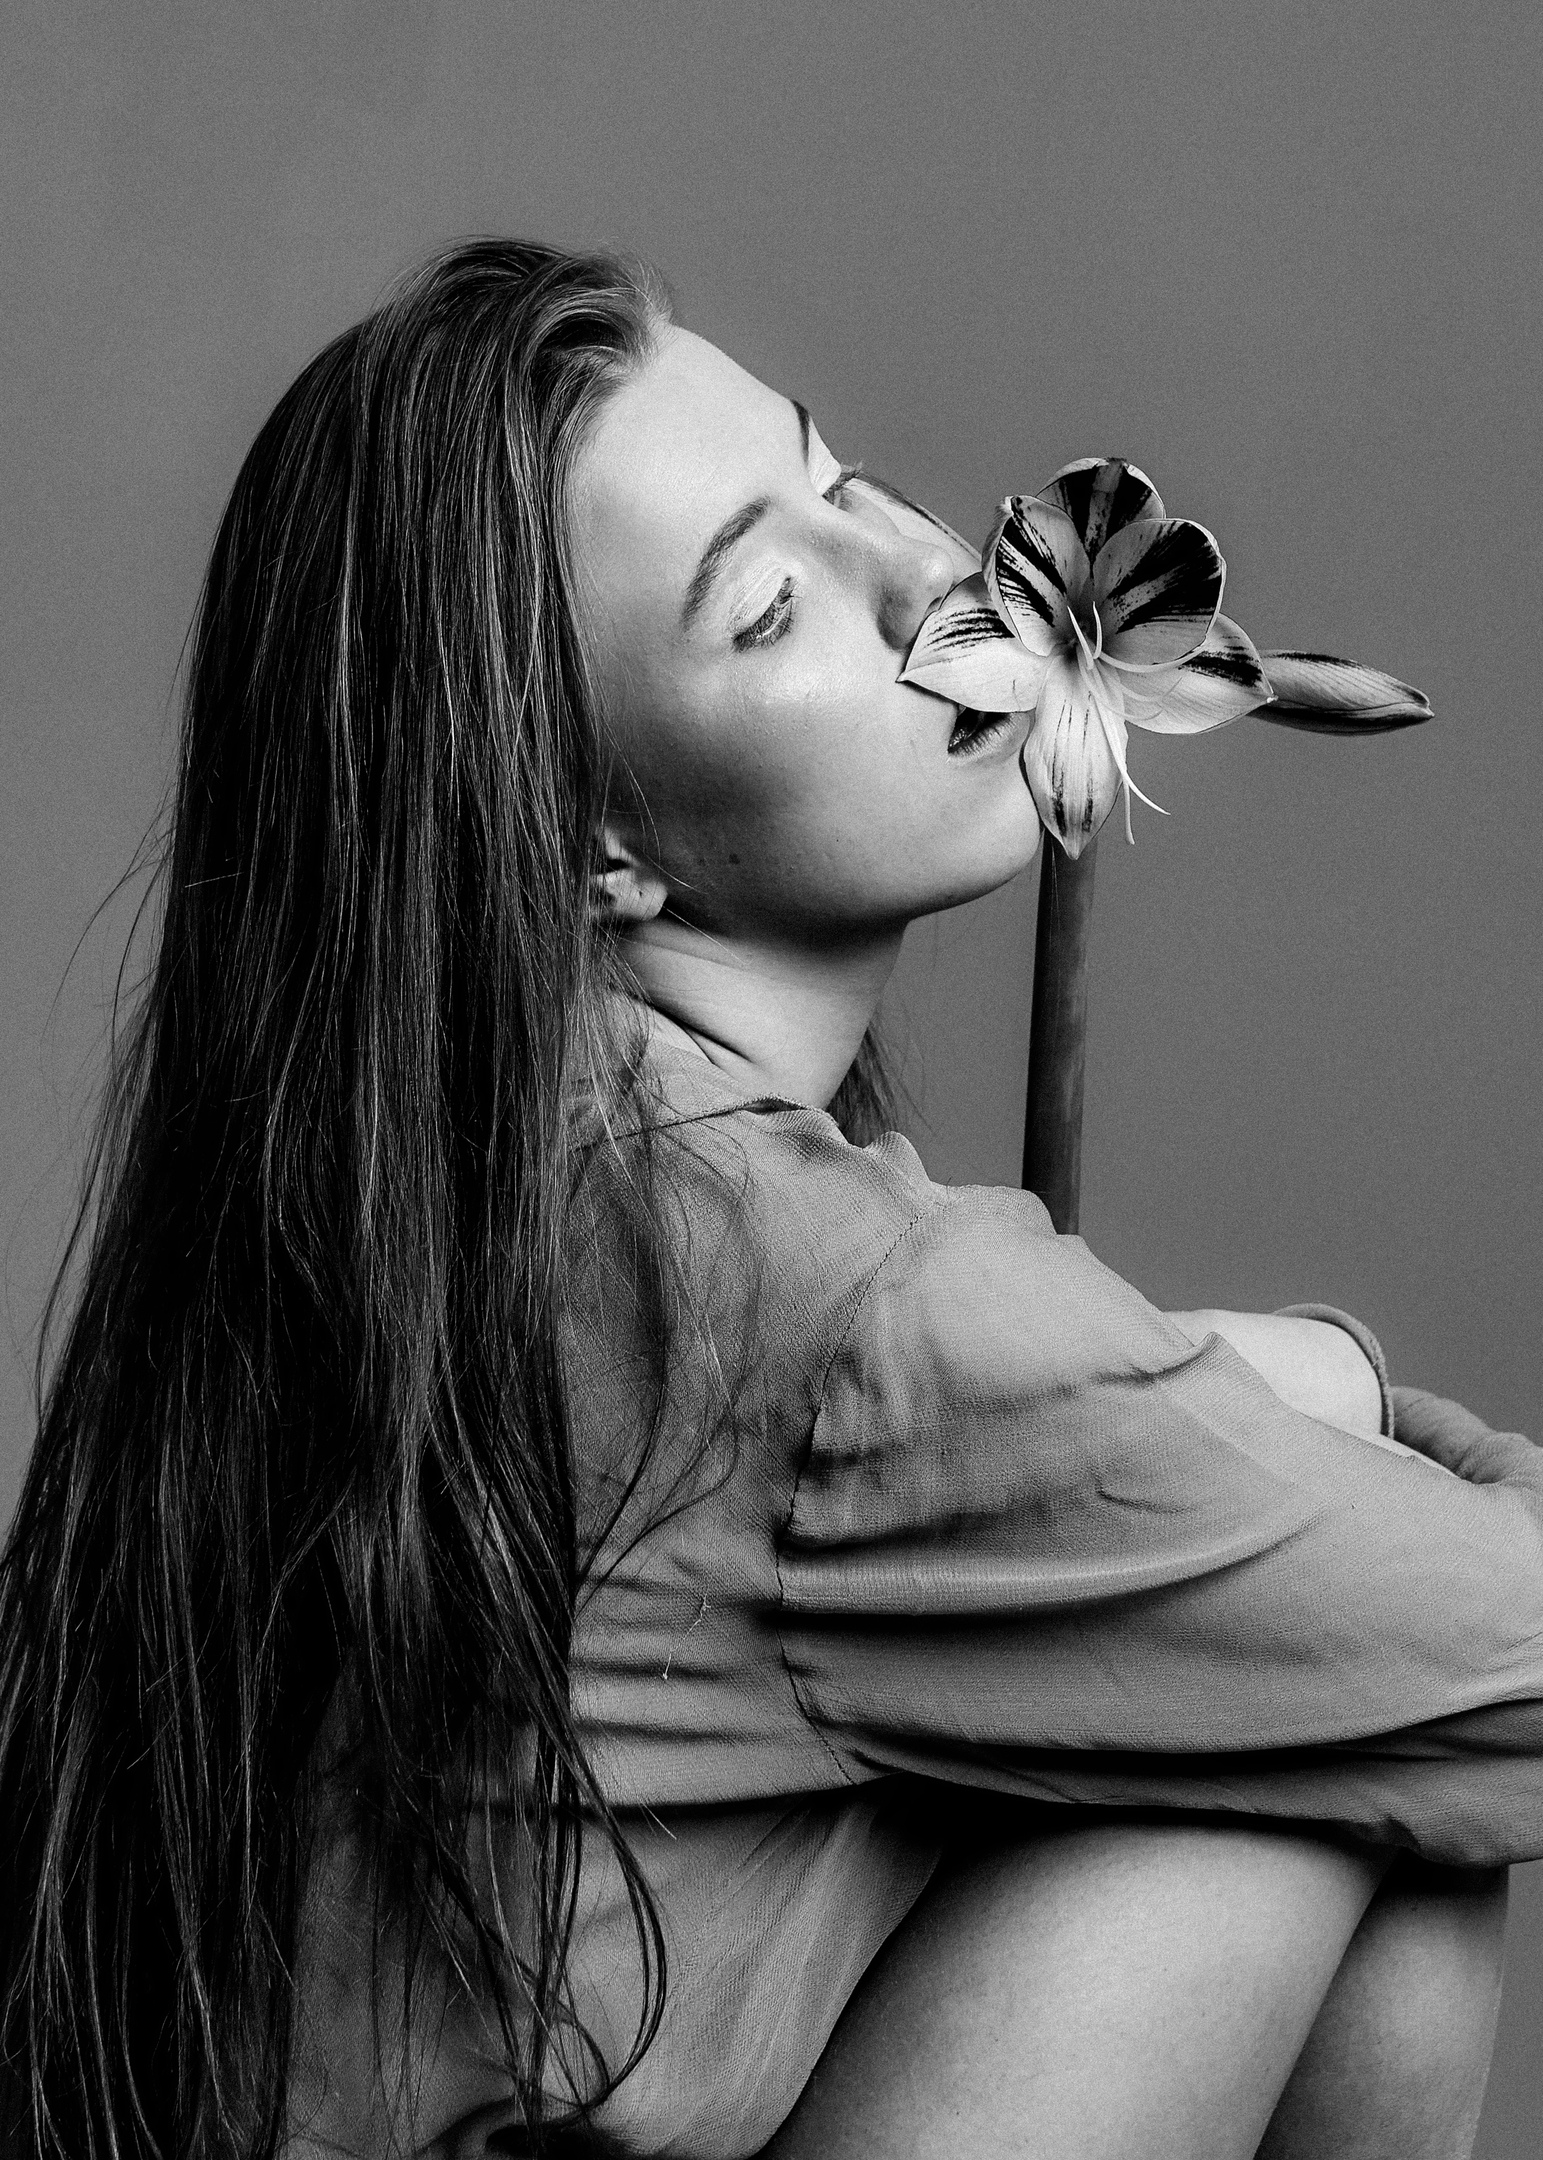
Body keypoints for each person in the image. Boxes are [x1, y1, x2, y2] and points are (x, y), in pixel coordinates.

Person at [1, 239, 1537, 2160]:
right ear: (589, 847)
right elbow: (1507, 1666)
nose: (930, 577)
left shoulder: (490, 1175)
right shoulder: (806, 1294)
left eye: (842, 477)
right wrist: (1339, 1390)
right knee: (1317, 1755)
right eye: (772, 605)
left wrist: (1228, 1396)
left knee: (1271, 1713)